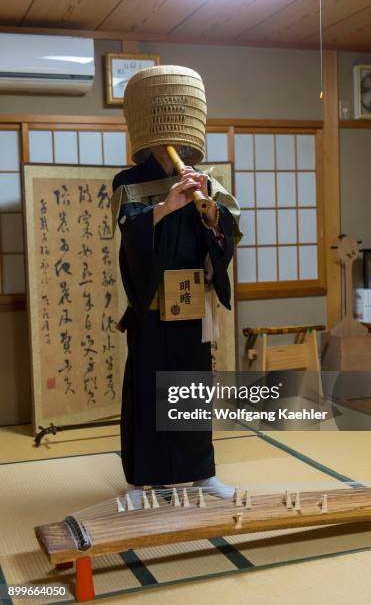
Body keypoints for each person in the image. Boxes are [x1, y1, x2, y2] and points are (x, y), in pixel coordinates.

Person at [111, 65, 242, 508]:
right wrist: (168, 204)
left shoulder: (205, 178)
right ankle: (143, 482)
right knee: (148, 389)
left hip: (192, 301)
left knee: (191, 389)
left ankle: (200, 473)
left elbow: (224, 235)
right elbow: (130, 234)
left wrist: (208, 211)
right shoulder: (128, 181)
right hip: (151, 302)